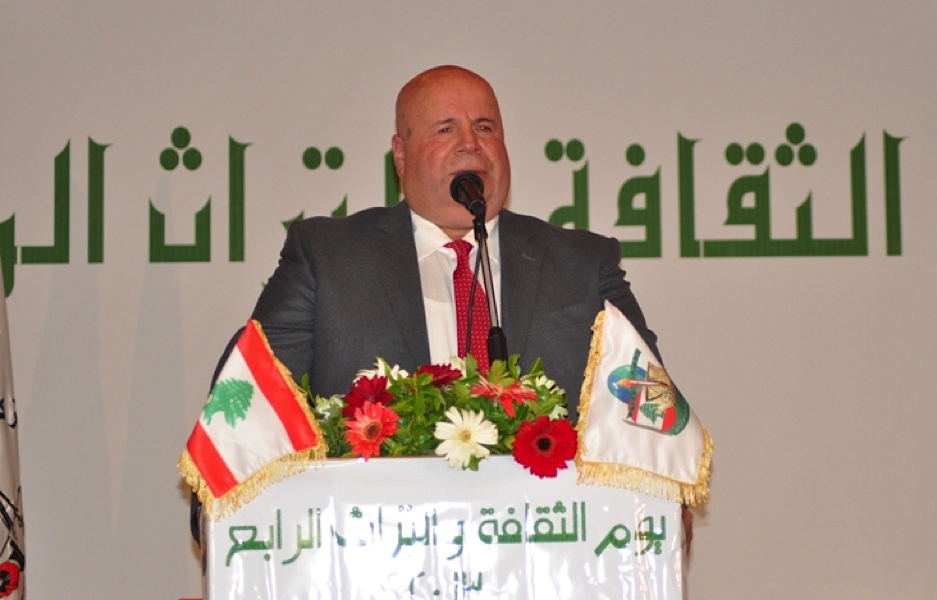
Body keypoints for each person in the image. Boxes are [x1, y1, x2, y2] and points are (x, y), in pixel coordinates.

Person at [196, 65, 692, 550]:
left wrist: (664, 510)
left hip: (551, 552)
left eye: (485, 127)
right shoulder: (328, 258)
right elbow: (249, 401)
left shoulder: (581, 263)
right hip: (375, 553)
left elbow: (647, 412)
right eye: (445, 129)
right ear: (401, 155)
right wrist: (223, 515)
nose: (470, 144)